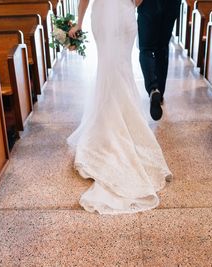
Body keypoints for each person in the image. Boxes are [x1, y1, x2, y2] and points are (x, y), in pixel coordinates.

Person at [67, 0, 172, 215]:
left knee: (108, 68)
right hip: (124, 14)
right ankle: (127, 123)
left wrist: (78, 23)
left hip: (104, 15)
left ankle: (110, 125)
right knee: (122, 70)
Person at [137, 0, 179, 120]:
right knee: (162, 48)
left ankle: (153, 88)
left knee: (146, 49)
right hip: (172, 5)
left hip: (149, 4)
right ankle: (160, 93)